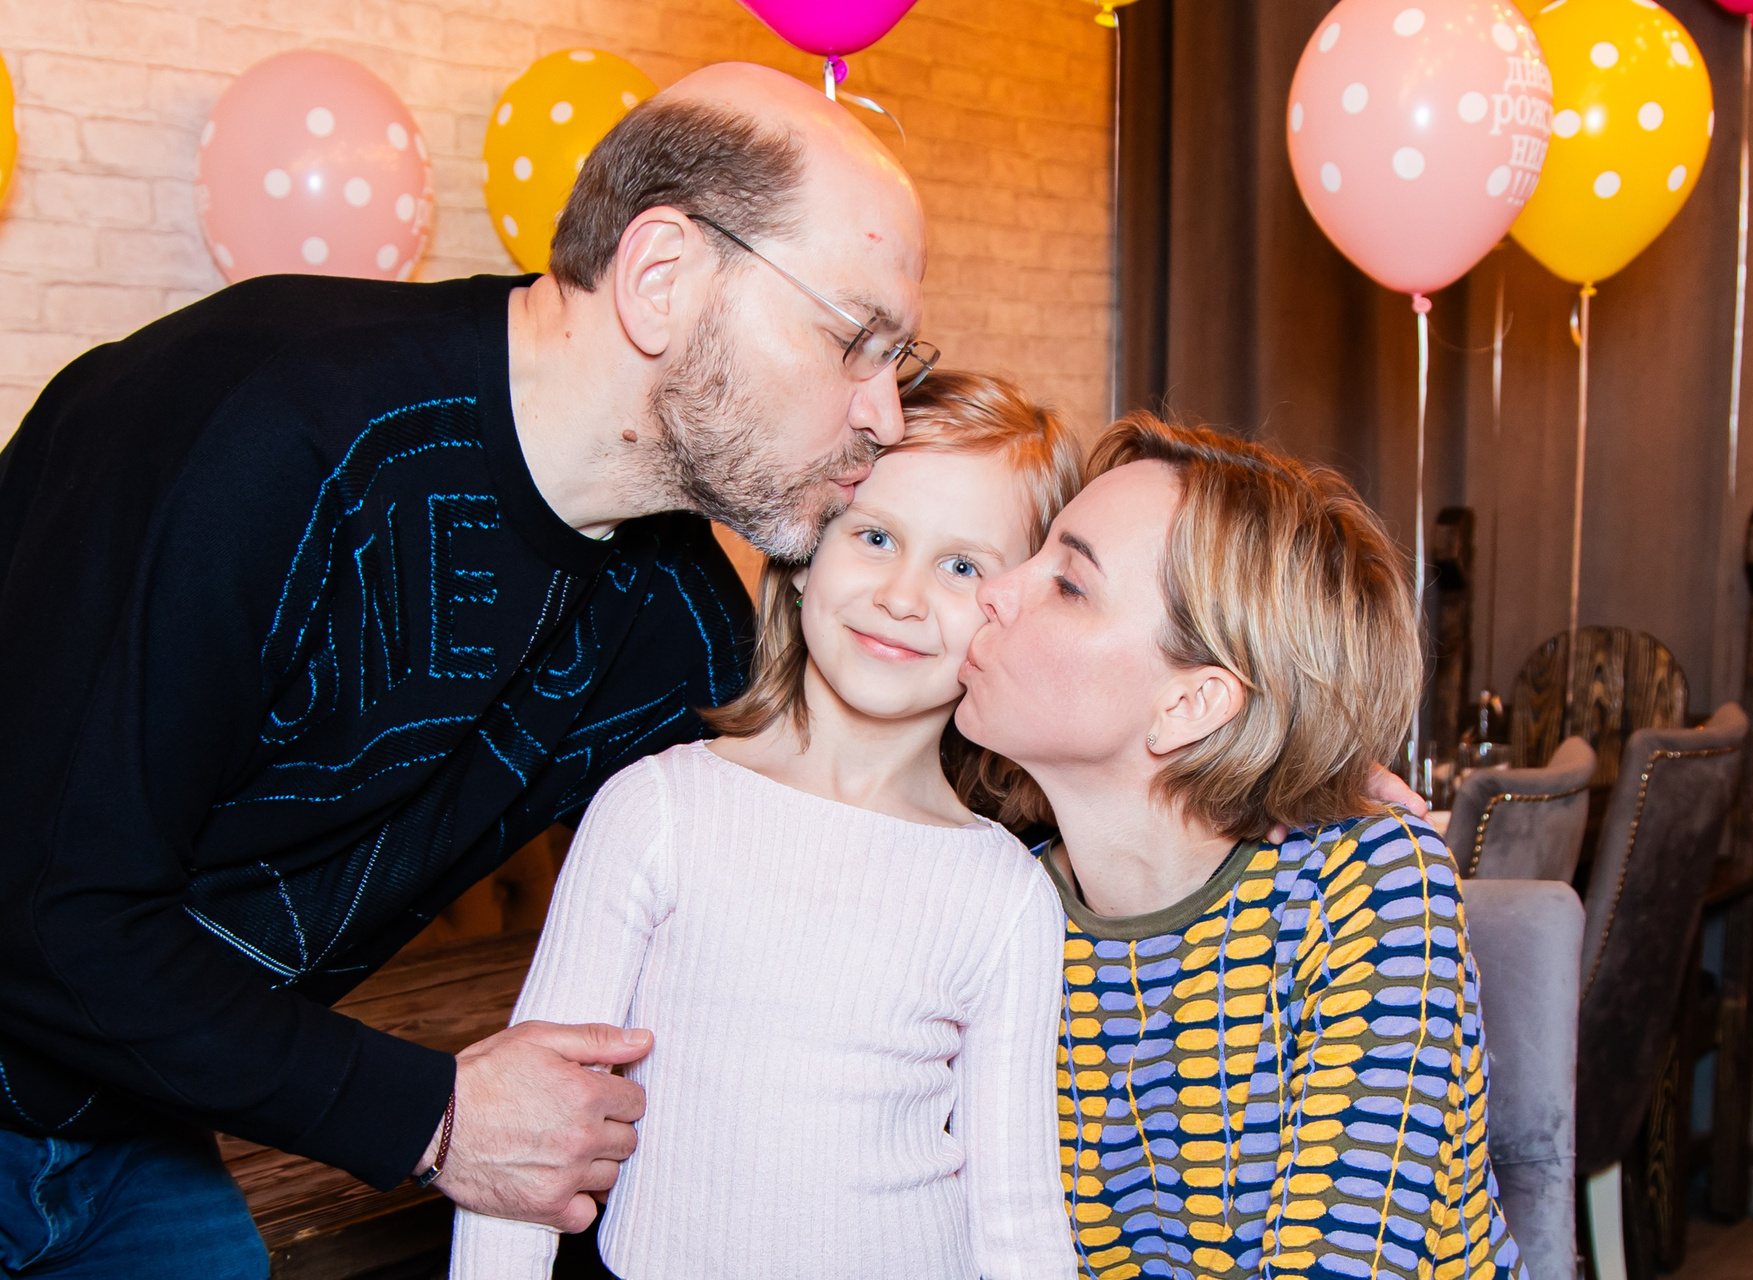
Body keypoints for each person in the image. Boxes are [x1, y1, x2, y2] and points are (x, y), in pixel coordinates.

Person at [0, 63, 935, 1276]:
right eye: (855, 340)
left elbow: (818, 873)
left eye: (899, 359)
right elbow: (43, 914)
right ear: (661, 277)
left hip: (135, 1120)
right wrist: (437, 1114)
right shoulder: (254, 424)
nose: (884, 414)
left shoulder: (674, 621)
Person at [448, 371, 1082, 1279]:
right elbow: (525, 1141)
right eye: (875, 537)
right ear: (805, 556)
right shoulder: (656, 811)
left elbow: (1016, 1213)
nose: (903, 596)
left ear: (1007, 612)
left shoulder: (1006, 892)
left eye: (962, 567)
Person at [955, 415, 1528, 1280]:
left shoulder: (1364, 884)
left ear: (1190, 705)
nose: (994, 589)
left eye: (1068, 583)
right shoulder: (1003, 904)